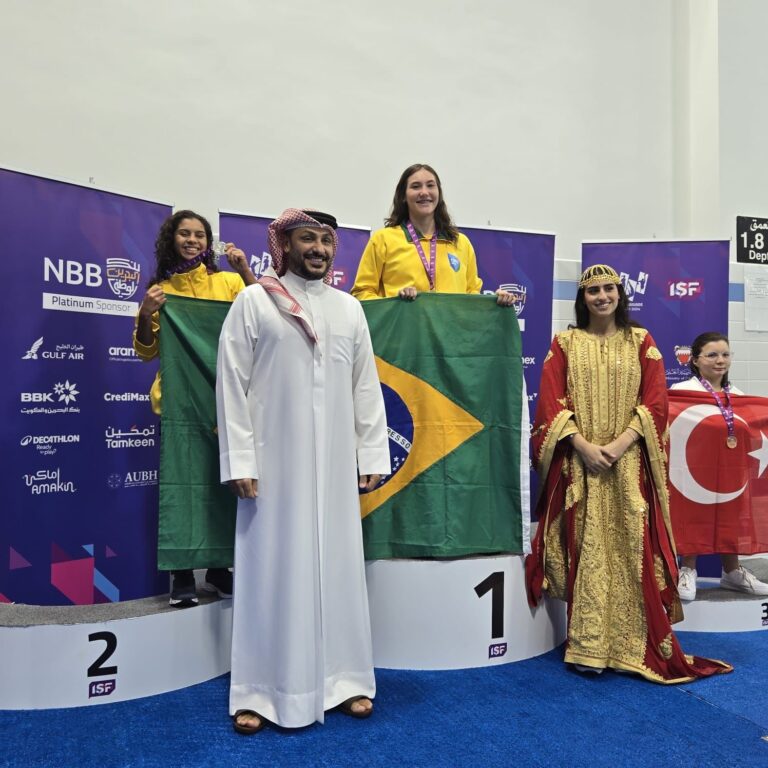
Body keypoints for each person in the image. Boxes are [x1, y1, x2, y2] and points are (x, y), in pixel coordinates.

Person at [215, 208, 391, 733]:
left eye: (325, 241)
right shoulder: (254, 302)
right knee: (270, 571)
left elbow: (366, 385)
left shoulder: (349, 309)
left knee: (338, 569)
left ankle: (347, 681)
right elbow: (231, 384)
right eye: (307, 239)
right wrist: (240, 460)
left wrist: (371, 454)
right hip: (273, 467)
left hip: (336, 466)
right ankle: (257, 691)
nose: (317, 248)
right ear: (284, 245)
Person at [525, 264, 731, 682]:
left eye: (609, 289)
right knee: (588, 547)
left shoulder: (642, 343)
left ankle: (631, 643)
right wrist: (582, 446)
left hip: (628, 465)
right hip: (580, 466)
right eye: (593, 291)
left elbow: (655, 404)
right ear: (582, 299)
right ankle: (587, 646)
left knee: (630, 547)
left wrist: (617, 447)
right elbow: (550, 405)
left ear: (620, 294)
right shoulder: (565, 343)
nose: (602, 297)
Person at [133, 209, 256, 607]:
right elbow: (146, 352)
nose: (192, 240)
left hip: (228, 401)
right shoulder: (161, 290)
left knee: (225, 486)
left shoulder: (228, 282)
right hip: (181, 402)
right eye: (184, 234)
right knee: (182, 487)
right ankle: (182, 575)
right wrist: (146, 313)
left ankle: (220, 571)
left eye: (199, 235)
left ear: (209, 242)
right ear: (172, 239)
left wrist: (246, 270)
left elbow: (263, 316)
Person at [670, 331, 768, 600]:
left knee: (732, 514)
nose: (720, 360)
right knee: (692, 513)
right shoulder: (681, 393)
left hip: (730, 471)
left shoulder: (736, 394)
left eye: (725, 354)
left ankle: (732, 572)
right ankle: (688, 570)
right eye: (712, 355)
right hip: (692, 472)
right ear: (696, 360)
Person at [350, 163, 515, 305]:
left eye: (430, 185)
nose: (424, 192)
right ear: (403, 196)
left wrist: (496, 302)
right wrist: (395, 302)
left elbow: (472, 297)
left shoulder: (461, 243)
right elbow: (362, 294)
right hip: (404, 338)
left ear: (439, 193)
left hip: (450, 339)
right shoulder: (383, 240)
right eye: (415, 186)